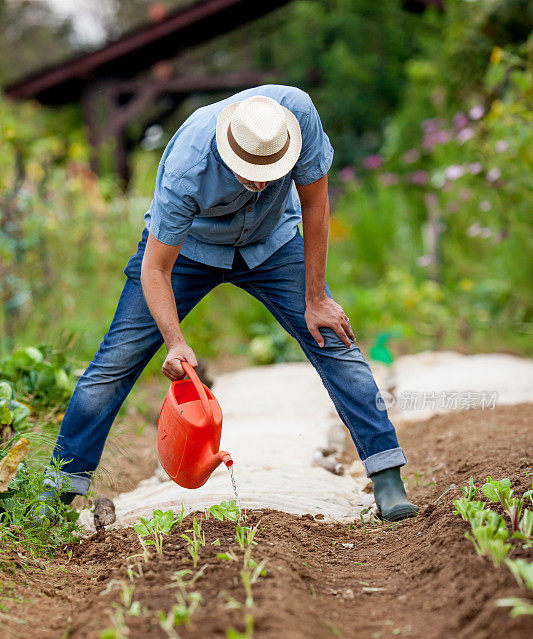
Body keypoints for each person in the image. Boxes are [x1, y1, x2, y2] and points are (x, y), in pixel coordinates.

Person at [45, 85, 418, 522]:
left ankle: (388, 479)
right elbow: (155, 269)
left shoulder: (298, 116)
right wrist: (176, 342)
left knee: (333, 339)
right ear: (227, 150)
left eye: (270, 170)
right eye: (249, 172)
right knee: (114, 364)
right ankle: (55, 496)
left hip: (270, 243)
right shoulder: (187, 169)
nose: (261, 182)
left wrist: (315, 297)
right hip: (190, 251)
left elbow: (315, 204)